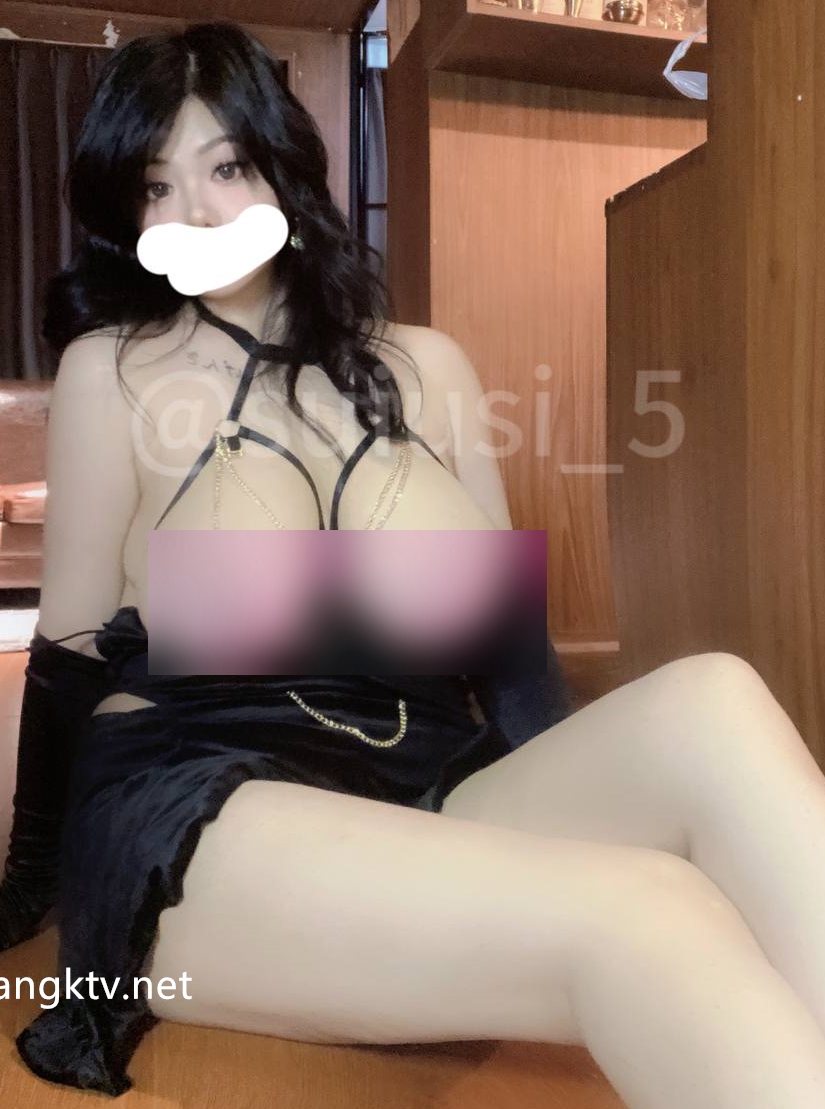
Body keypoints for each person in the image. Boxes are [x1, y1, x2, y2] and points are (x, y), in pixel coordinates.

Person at [3, 19, 825, 1109]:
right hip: (203, 800)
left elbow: (508, 650)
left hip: (425, 779)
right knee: (649, 912)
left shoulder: (425, 368)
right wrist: (33, 887)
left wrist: (572, 790)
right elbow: (68, 650)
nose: (196, 212)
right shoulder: (116, 371)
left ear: (283, 171)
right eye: (157, 186)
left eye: (228, 167)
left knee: (715, 697)